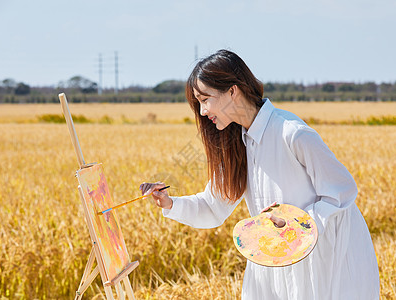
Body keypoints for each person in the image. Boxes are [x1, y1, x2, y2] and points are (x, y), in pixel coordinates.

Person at [139, 49, 380, 299]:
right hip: (273, 256)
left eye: (205, 99)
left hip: (321, 262)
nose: (202, 112)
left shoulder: (292, 133)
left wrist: (294, 224)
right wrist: (169, 203)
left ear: (232, 91)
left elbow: (341, 192)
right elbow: (213, 207)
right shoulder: (236, 144)